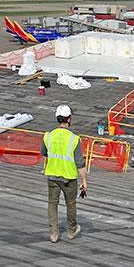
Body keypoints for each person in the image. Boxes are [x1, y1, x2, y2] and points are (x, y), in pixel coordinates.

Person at [41, 104, 88, 243]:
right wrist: (84, 180)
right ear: (69, 118)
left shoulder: (48, 136)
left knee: (52, 204)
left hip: (52, 175)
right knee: (71, 203)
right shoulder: (74, 139)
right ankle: (72, 230)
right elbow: (80, 162)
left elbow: (44, 153)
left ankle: (54, 233)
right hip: (69, 177)